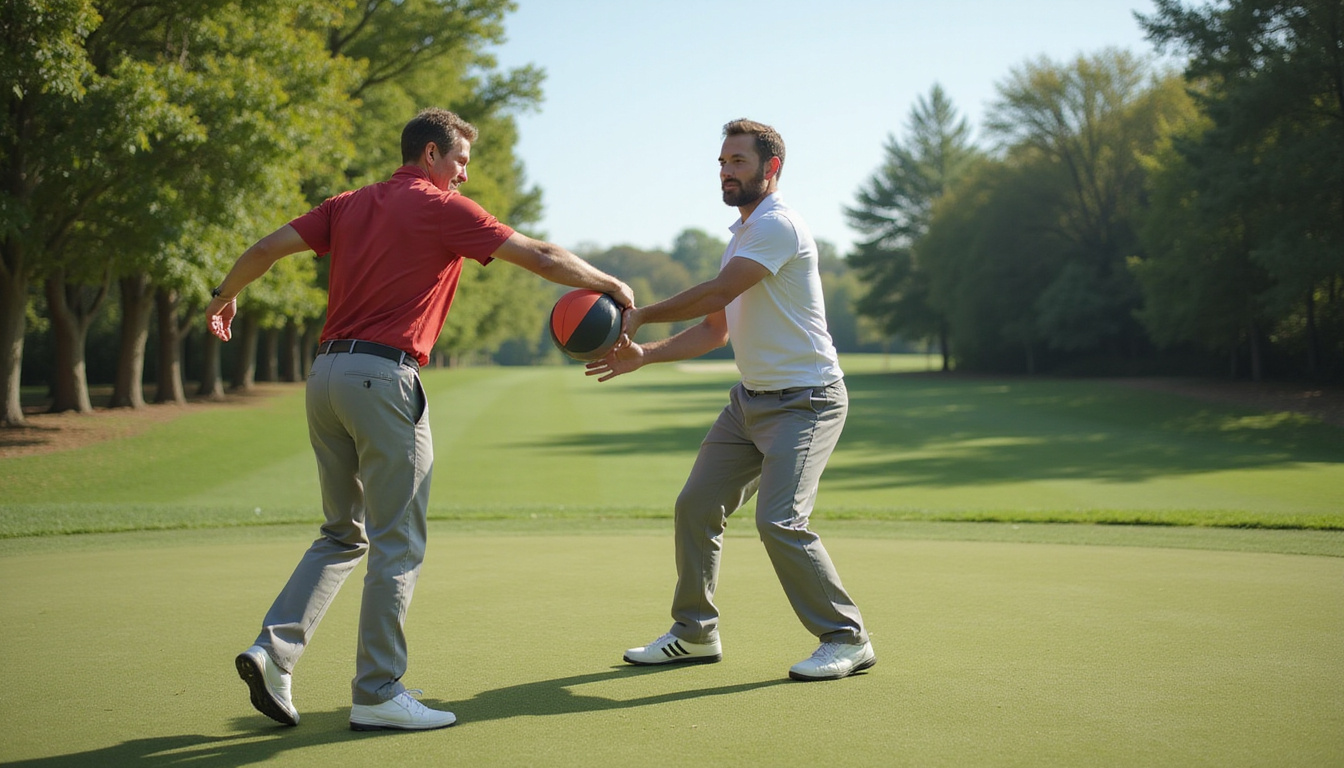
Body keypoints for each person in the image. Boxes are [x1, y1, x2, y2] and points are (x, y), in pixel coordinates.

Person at [207, 108, 634, 731]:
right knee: (397, 541)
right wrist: (610, 282)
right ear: (431, 154)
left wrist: (224, 296)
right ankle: (377, 692)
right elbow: (541, 256)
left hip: (325, 377)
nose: (463, 175)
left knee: (342, 534)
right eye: (459, 161)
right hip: (383, 380)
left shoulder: (346, 205)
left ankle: (272, 653)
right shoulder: (442, 207)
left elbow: (268, 248)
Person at [587, 118, 874, 682]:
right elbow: (715, 328)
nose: (726, 171)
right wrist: (644, 355)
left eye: (738, 161)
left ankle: (847, 638)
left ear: (772, 167)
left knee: (780, 520)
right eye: (722, 162)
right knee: (696, 506)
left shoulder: (777, 225)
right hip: (749, 403)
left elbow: (718, 292)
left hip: (808, 401)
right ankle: (695, 633)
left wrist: (640, 314)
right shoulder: (741, 236)